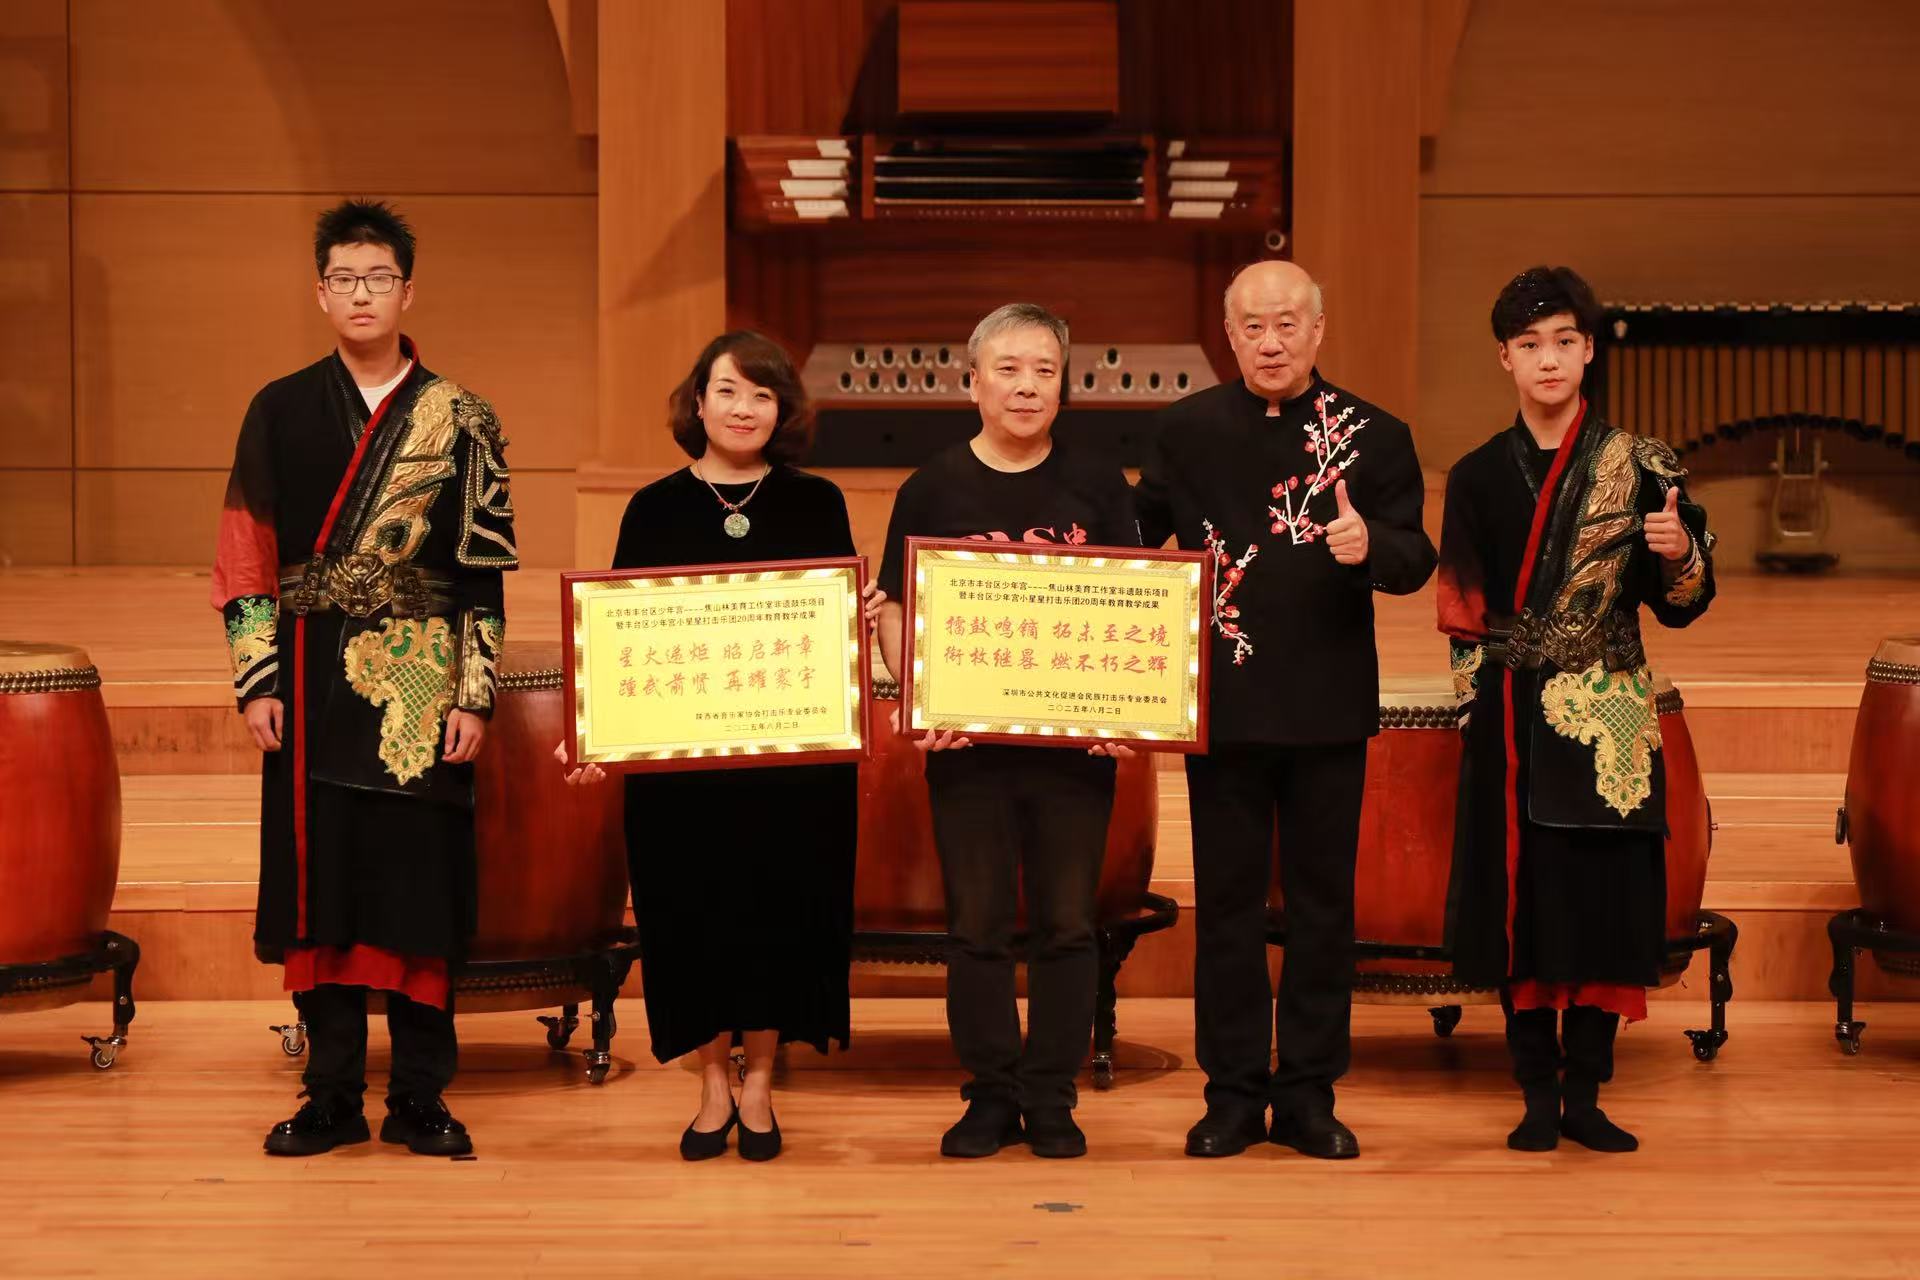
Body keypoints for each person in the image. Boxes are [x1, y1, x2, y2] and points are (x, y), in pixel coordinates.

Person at [213, 199, 516, 1157]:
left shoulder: (463, 416)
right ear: (320, 291)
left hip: (421, 683)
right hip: (305, 673)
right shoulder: (279, 406)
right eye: (343, 278)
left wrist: (474, 691)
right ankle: (331, 1089)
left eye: (377, 277)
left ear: (407, 289)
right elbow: (246, 551)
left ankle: (421, 1092)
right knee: (323, 880)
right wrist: (256, 677)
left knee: (417, 882)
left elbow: (482, 571)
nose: (360, 294)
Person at [1135, 260, 1436, 1160]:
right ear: (1229, 334)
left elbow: (1417, 557)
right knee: (1224, 908)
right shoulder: (1185, 431)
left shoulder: (1375, 436)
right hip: (1221, 708)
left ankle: (1308, 1094)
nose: (1271, 341)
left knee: (1321, 911)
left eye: (1288, 324)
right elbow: (1135, 540)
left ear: (1319, 329)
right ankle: (1230, 1094)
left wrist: (1368, 541)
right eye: (1253, 326)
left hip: (1327, 711)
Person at [559, 331, 883, 1163]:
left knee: (783, 910)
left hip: (792, 768)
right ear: (697, 402)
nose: (746, 409)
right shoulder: (653, 508)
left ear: (784, 412)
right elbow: (620, 641)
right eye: (730, 391)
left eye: (763, 396)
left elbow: (834, 627)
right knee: (688, 911)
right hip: (682, 772)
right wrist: (598, 732)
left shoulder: (816, 503)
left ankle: (763, 1082)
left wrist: (865, 619)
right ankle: (711, 1082)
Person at [1437, 266, 1715, 1153]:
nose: (1548, 360)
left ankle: (1588, 1092)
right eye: (1529, 346)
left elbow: (1685, 599)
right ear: (1504, 359)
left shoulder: (1645, 464)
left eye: (1563, 341)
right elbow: (1461, 609)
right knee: (1525, 897)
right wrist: (1482, 706)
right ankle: (1534, 1094)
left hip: (1612, 715)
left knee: (1602, 897)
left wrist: (1676, 555)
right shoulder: (1478, 474)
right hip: (1514, 713)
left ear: (1589, 350)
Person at [873, 302, 1139, 1160]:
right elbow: (896, 611)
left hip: (1075, 754)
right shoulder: (933, 486)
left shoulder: (1100, 486)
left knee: (1067, 923)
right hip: (968, 752)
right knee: (978, 926)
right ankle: (989, 1094)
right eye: (1010, 369)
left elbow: (1142, 608)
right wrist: (920, 701)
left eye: (1046, 371)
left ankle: (1052, 1097)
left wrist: (1124, 715)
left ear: (1065, 383)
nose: (1028, 386)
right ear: (973, 380)